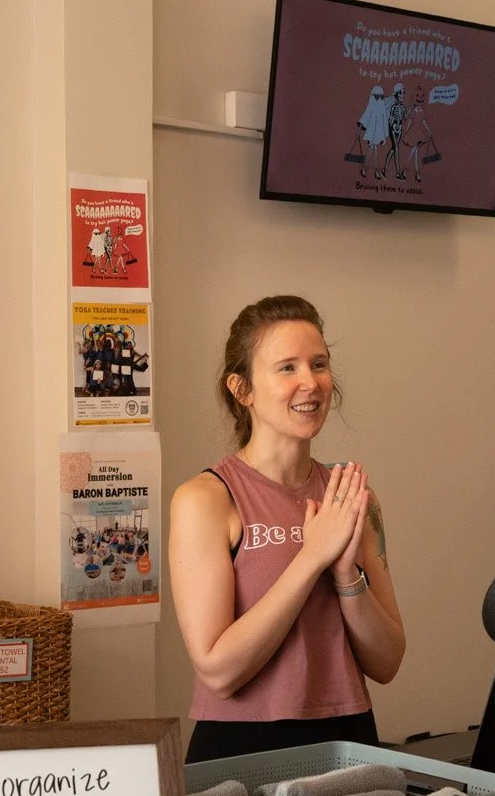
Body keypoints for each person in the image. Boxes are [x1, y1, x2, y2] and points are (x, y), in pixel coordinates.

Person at [171, 295, 405, 763]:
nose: (310, 382)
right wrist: (312, 557)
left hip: (349, 742)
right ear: (242, 390)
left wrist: (345, 575)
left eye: (319, 364)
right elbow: (218, 670)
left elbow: (387, 661)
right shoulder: (206, 500)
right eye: (287, 367)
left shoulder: (354, 497)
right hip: (240, 750)